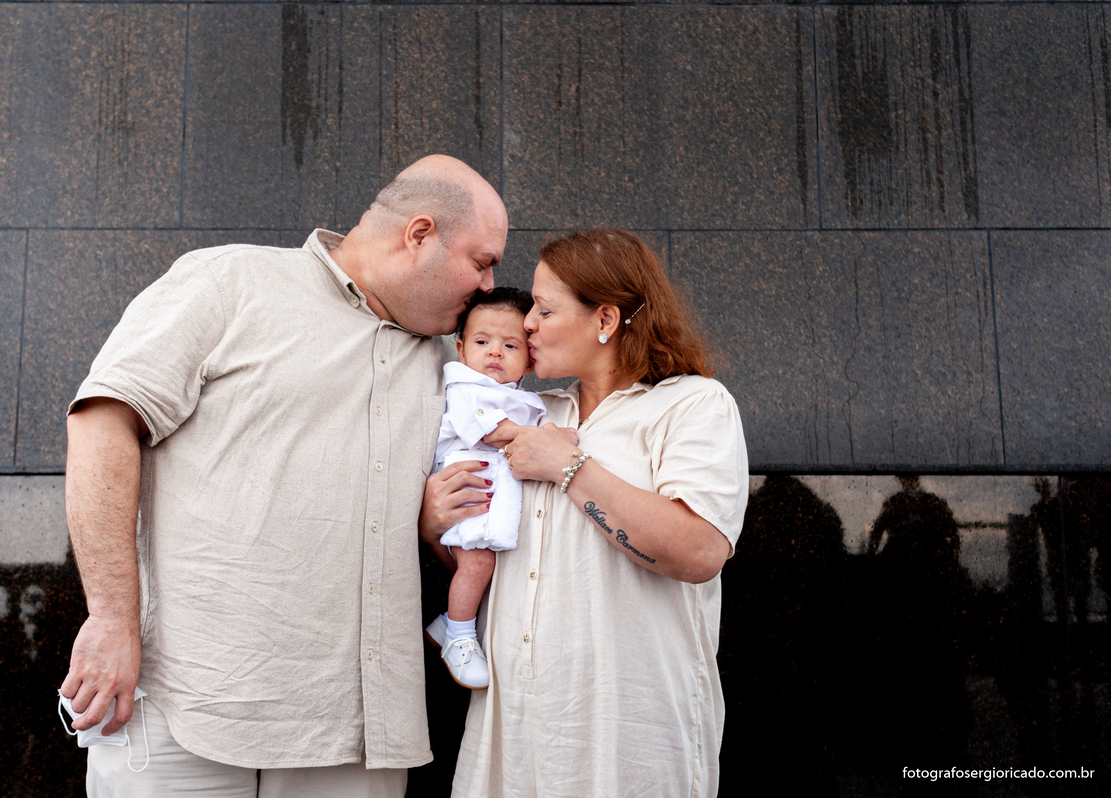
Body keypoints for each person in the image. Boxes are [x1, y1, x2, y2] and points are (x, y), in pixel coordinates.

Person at [60, 154, 508, 797]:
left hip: (358, 732)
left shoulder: (458, 365)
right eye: (481, 260)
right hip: (188, 705)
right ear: (419, 234)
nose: (492, 287)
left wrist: (432, 518)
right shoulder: (229, 282)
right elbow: (102, 424)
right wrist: (110, 618)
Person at [419, 229, 749, 797]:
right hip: (516, 730)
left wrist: (570, 466)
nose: (526, 326)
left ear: (605, 320)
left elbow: (699, 553)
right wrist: (434, 525)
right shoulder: (529, 410)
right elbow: (497, 566)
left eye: (544, 311)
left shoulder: (692, 404)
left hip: (626, 736)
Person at [424, 287, 546, 691]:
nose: (494, 352)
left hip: (488, 498)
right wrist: (545, 438)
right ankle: (458, 637)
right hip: (468, 497)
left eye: (509, 345)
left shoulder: (516, 396)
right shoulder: (463, 388)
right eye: (482, 342)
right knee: (477, 566)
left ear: (529, 358)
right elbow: (492, 433)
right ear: (460, 350)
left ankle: (449, 625)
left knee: (482, 570)